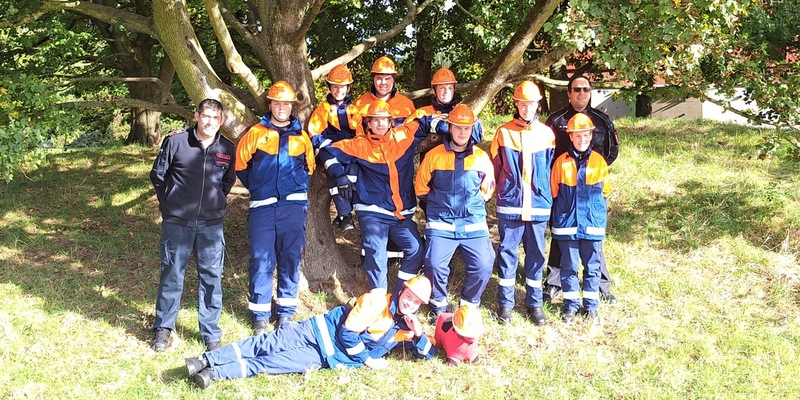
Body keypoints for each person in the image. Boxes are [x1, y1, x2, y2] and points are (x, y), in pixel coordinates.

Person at [184, 275, 436, 389]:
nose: (410, 304)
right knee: (267, 344)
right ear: (402, 290)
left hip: (326, 357)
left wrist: (418, 335)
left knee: (271, 363)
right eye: (409, 297)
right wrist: (368, 360)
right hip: (317, 331)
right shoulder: (376, 301)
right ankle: (205, 360)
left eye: (416, 303)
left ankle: (214, 374)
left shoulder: (406, 326)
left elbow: (429, 354)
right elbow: (348, 334)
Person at [318, 100, 443, 295]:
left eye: (383, 120)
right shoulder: (358, 145)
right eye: (374, 121)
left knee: (417, 250)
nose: (379, 124)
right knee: (376, 253)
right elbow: (324, 148)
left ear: (391, 121)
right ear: (367, 123)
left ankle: (401, 295)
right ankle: (378, 299)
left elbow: (424, 122)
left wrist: (445, 126)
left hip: (401, 214)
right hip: (372, 213)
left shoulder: (404, 136)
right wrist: (338, 173)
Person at [149, 99, 236, 352]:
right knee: (172, 275)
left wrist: (215, 204)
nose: (209, 121)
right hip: (177, 223)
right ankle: (163, 329)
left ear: (221, 121)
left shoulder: (228, 148)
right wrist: (169, 204)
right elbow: (158, 176)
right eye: (205, 116)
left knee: (212, 278)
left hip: (211, 226)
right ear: (197, 116)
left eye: (215, 118)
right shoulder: (176, 142)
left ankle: (210, 335)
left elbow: (227, 182)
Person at [235, 81, 315, 335]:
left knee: (290, 257)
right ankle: (259, 314)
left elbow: (309, 168)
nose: (282, 108)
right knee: (261, 259)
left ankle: (285, 313)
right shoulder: (255, 133)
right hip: (263, 207)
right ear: (270, 105)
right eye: (277, 103)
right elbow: (240, 166)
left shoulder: (302, 137)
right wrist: (260, 187)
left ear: (292, 106)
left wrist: (295, 190)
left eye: (286, 104)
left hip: (293, 207)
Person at [543, 74, 620, 304]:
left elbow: (611, 151)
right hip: (563, 184)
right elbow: (547, 153)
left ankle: (601, 285)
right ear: (569, 93)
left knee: (592, 240)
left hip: (591, 188)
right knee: (561, 235)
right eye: (576, 89)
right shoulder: (556, 120)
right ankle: (554, 282)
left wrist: (595, 171)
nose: (581, 93)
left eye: (586, 89)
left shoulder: (601, 120)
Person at [414, 104, 495, 319]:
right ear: (449, 127)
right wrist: (438, 206)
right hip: (442, 224)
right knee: (433, 263)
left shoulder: (480, 157)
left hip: (473, 223)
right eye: (457, 127)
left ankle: (469, 304)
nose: (462, 132)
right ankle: (439, 305)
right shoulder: (434, 156)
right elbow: (421, 188)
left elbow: (487, 192)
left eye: (466, 128)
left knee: (484, 265)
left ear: (472, 129)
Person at [491, 81, 555, 326]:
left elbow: (549, 169)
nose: (527, 108)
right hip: (511, 205)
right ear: (516, 104)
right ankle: (505, 304)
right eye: (522, 104)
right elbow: (495, 169)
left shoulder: (547, 134)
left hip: (538, 205)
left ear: (537, 104)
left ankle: (534, 304)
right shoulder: (503, 132)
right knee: (507, 254)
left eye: (531, 104)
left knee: (536, 256)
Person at [550, 113, 611, 325]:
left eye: (585, 135)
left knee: (592, 267)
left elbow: (604, 193)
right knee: (568, 267)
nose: (582, 140)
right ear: (571, 136)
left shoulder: (599, 162)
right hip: (567, 225)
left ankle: (592, 307)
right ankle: (571, 306)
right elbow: (555, 192)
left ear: (591, 136)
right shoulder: (560, 163)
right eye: (578, 136)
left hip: (592, 225)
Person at [307, 64, 362, 231]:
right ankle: (344, 214)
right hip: (327, 150)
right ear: (330, 87)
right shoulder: (323, 109)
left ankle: (345, 213)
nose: (339, 90)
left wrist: (349, 149)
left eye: (342, 87)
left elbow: (360, 135)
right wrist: (332, 148)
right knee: (334, 170)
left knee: (352, 171)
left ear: (348, 88)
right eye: (335, 86)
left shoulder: (354, 110)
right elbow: (315, 134)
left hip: (349, 150)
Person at [355, 55, 416, 127]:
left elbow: (414, 134)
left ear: (393, 80)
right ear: (373, 79)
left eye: (387, 79)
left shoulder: (407, 105)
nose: (383, 82)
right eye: (379, 78)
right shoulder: (359, 104)